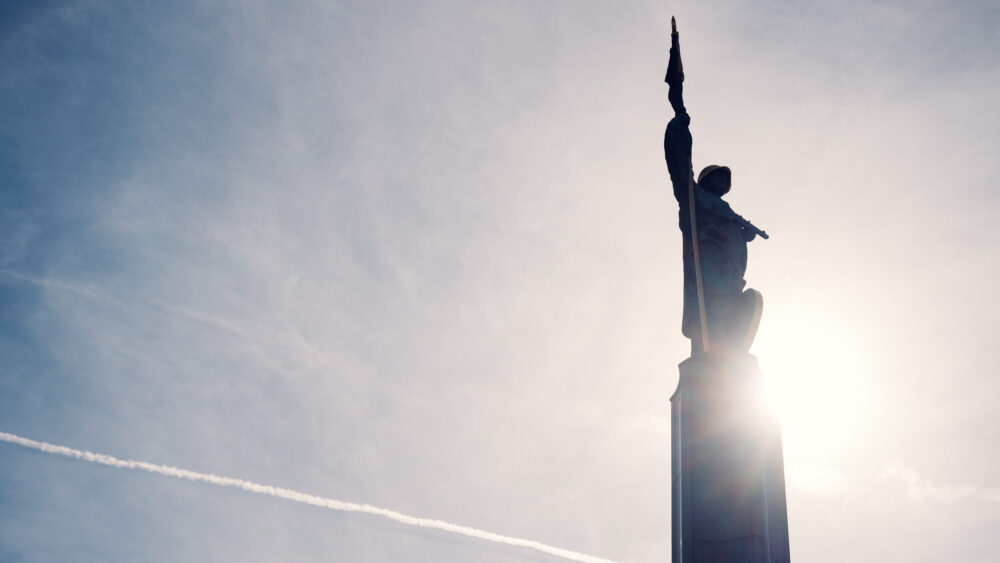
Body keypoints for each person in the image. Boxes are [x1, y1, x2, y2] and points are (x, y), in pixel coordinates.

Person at [664, 20, 763, 355]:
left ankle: (728, 354)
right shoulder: (695, 198)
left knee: (730, 316)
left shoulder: (728, 213)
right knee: (712, 324)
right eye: (718, 177)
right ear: (707, 180)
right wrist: (680, 124)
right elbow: (680, 171)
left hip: (729, 274)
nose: (723, 183)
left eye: (727, 180)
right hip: (709, 273)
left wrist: (743, 233)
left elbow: (738, 243)